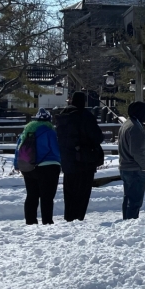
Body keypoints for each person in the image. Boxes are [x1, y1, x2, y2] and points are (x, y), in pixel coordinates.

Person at [55, 91, 105, 222]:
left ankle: (69, 216)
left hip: (67, 160)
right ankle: (78, 217)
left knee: (69, 191)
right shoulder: (85, 116)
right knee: (82, 191)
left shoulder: (62, 116)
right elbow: (97, 136)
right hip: (84, 161)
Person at [15, 108, 62, 225]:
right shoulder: (50, 131)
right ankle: (47, 221)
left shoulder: (27, 131)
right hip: (48, 167)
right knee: (47, 196)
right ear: (49, 119)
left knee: (31, 195)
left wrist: (17, 164)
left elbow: (18, 149)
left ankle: (30, 221)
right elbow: (56, 150)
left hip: (28, 167)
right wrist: (62, 161)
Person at [118, 101, 145, 220]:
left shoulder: (126, 124)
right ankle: (131, 223)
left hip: (125, 167)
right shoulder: (135, 128)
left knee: (128, 198)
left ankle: (127, 221)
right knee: (135, 201)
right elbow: (137, 151)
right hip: (135, 169)